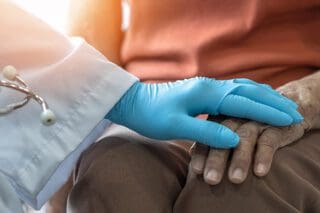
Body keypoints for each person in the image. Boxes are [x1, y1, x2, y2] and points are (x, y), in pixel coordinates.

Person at [0, 1, 301, 212]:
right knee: (112, 176)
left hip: (287, 90)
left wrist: (304, 100)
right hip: (146, 95)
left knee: (231, 192)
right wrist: (88, 123)